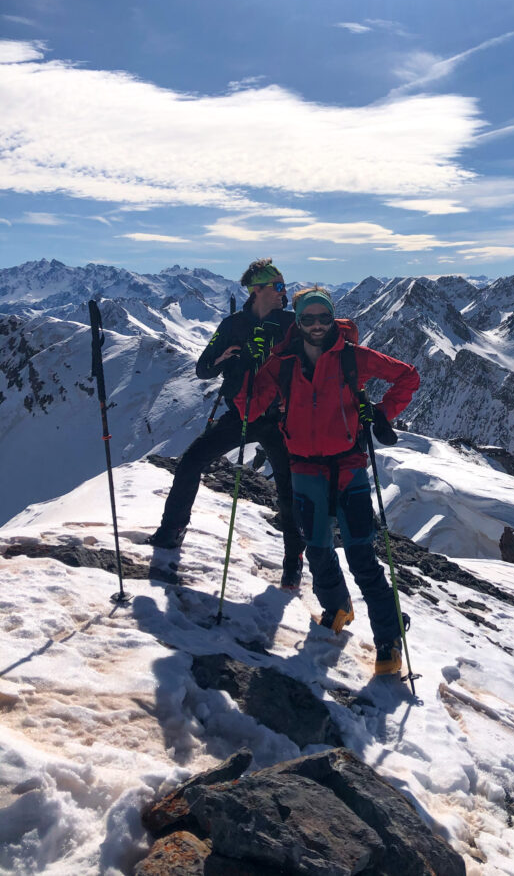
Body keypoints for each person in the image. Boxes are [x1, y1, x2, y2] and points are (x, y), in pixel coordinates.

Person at [235, 287, 419, 675]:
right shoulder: (281, 362)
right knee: (317, 549)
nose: (317, 325)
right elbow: (250, 408)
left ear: (333, 319)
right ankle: (337, 607)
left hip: (348, 466)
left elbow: (407, 376)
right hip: (304, 467)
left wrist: (381, 414)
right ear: (298, 322)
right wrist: (246, 375)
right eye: (308, 319)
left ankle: (387, 638)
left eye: (323, 318)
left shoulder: (354, 357)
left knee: (361, 557)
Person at [147, 259, 306, 591]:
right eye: (277, 286)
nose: (283, 292)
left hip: (278, 417)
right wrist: (225, 359)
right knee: (191, 462)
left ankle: (293, 562)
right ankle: (172, 529)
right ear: (257, 290)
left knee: (288, 491)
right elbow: (204, 369)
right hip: (242, 413)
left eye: (284, 286)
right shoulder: (233, 325)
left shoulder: (292, 324)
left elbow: (309, 366)